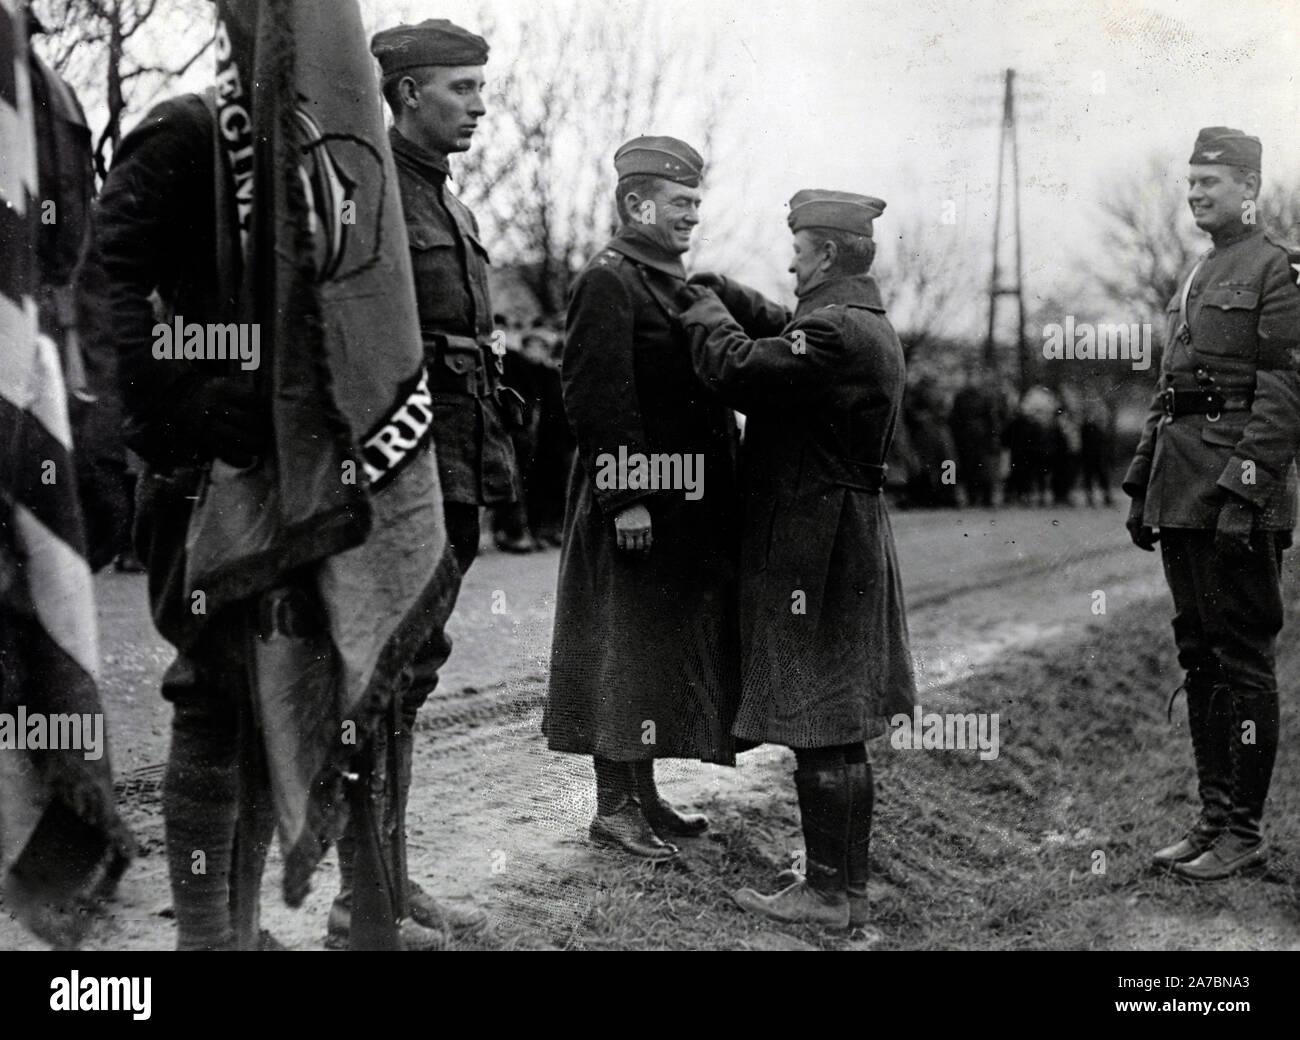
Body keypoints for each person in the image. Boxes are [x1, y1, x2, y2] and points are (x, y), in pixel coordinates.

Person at [325, 17, 521, 947]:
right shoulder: (372, 196)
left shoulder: (453, 206)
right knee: (380, 682)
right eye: (462, 89)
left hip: (460, 463)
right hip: (402, 470)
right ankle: (361, 904)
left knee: (417, 674)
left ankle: (391, 886)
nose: (480, 106)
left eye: (481, 89)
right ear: (406, 93)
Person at [678, 189, 917, 929]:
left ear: (828, 254)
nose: (790, 263)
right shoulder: (859, 321)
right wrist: (729, 292)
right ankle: (845, 886)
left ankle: (821, 893)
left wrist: (699, 307)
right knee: (842, 726)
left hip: (816, 543)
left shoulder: (837, 331)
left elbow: (741, 369)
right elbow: (783, 329)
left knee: (818, 720)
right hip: (847, 535)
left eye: (800, 250)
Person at [543, 136, 741, 860]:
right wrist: (625, 496)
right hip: (631, 499)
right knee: (622, 645)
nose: (693, 215)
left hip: (675, 502)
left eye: (696, 202)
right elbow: (594, 395)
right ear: (637, 202)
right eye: (681, 202)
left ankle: (645, 795)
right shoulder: (610, 279)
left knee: (652, 646)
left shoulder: (665, 277)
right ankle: (613, 807)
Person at [1124, 127, 1300, 881]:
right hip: (1182, 492)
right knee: (1200, 659)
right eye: (1191, 182)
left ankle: (1245, 832)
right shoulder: (1195, 273)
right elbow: (1171, 392)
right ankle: (1213, 818)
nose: (1197, 194)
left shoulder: (1277, 269)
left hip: (1235, 496)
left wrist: (1245, 495)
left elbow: (1285, 391)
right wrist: (1141, 485)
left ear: (1249, 187)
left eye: (1212, 183)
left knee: (1242, 662)